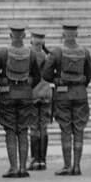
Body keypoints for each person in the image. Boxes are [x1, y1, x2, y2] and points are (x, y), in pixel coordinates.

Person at [43, 24, 91, 176]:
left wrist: (57, 80)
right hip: (80, 94)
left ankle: (67, 165)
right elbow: (89, 75)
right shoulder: (84, 51)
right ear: (76, 34)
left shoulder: (57, 52)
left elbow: (46, 74)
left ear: (63, 34)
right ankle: (77, 166)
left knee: (65, 129)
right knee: (79, 130)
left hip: (63, 95)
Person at [0, 25, 39, 178]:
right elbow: (37, 76)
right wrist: (27, 85)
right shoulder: (31, 53)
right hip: (25, 94)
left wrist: (3, 82)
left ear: (10, 35)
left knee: (10, 131)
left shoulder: (3, 53)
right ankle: (23, 168)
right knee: (23, 130)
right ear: (24, 35)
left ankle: (13, 167)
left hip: (8, 95)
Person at [29, 31, 52, 170]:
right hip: (45, 94)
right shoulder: (47, 56)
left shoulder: (28, 54)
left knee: (33, 128)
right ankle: (42, 160)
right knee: (43, 127)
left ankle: (34, 159)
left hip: (32, 94)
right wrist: (45, 48)